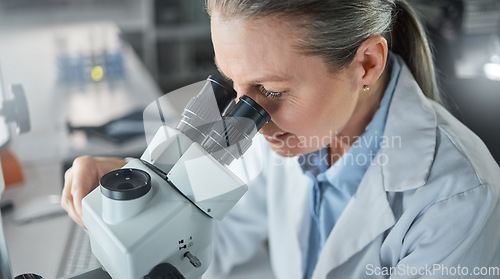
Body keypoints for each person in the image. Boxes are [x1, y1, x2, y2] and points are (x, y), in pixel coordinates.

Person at [61, 0, 500, 278]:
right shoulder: (291, 133)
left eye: (270, 90)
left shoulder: (459, 199)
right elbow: (213, 247)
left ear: (366, 64)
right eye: (232, 84)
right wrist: (147, 202)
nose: (247, 118)